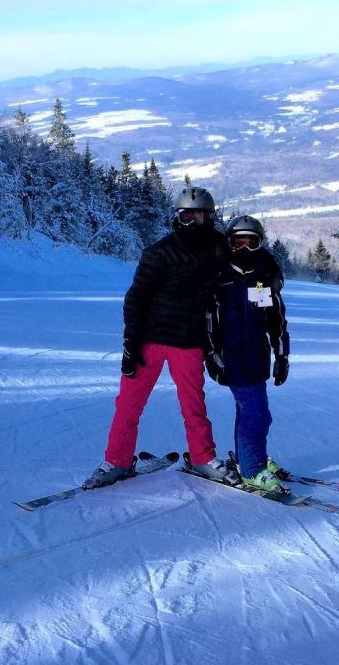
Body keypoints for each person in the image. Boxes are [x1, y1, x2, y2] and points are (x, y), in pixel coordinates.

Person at [84, 186, 231, 489]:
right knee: (128, 404)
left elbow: (244, 274)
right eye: (184, 215)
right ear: (176, 217)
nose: (190, 222)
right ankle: (117, 460)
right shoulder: (159, 253)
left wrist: (264, 290)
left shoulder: (219, 249)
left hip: (189, 341)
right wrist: (130, 344)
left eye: (197, 216)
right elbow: (136, 299)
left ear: (208, 217)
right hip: (150, 339)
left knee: (194, 404)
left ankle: (203, 457)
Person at [205, 215, 290, 492]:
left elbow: (275, 320)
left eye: (250, 243)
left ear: (259, 244)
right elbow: (206, 321)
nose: (243, 249)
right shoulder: (218, 276)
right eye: (237, 242)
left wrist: (282, 356)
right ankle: (253, 469)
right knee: (257, 414)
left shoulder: (263, 276)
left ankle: (249, 458)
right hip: (231, 357)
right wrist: (211, 356)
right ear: (228, 243)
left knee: (249, 412)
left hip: (257, 356)